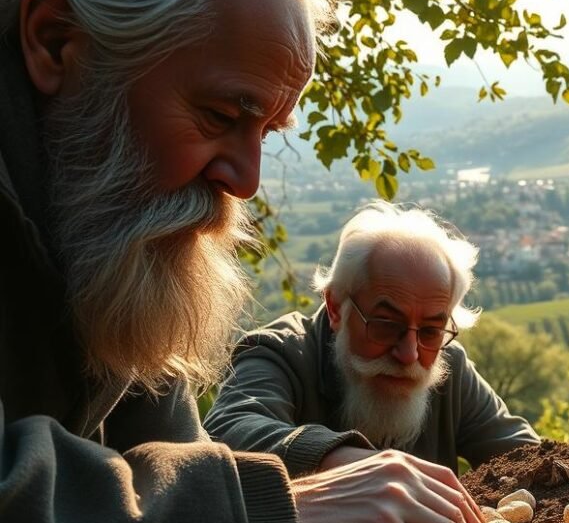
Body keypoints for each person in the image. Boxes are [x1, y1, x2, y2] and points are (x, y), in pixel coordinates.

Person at [1, 0, 492, 523]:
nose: (246, 180)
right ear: (57, 39)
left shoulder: (103, 230)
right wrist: (280, 512)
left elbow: (170, 456)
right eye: (220, 114)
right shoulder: (280, 352)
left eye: (266, 132)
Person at [204, 201, 539, 477]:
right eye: (386, 324)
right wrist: (356, 465)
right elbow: (228, 432)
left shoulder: (449, 367)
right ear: (335, 308)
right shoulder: (278, 354)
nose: (409, 354)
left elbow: (530, 460)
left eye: (431, 330)